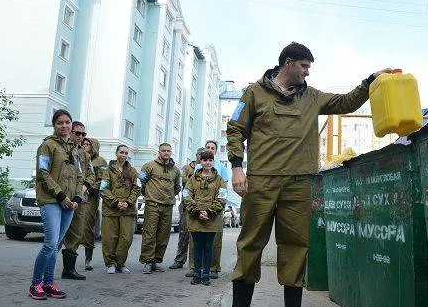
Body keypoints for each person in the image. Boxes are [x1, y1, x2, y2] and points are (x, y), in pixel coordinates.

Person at [227, 42, 398, 307]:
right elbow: (236, 128)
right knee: (250, 244)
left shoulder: (312, 97)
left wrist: (369, 81)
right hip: (261, 180)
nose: (308, 72)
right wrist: (237, 167)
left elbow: (345, 102)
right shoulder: (254, 93)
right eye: (304, 66)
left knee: (296, 247)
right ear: (288, 63)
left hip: (299, 183)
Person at [28, 109, 83, 300]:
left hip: (70, 203)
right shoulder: (47, 146)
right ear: (54, 125)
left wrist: (77, 198)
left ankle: (49, 283)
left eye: (67, 122)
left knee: (57, 244)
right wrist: (61, 196)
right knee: (50, 243)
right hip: (52, 200)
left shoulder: (75, 148)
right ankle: (36, 284)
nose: (64, 126)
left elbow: (79, 175)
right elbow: (43, 174)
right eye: (60, 123)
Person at [187, 140, 231, 279]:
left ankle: (207, 273)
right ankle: (196, 272)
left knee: (209, 248)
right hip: (196, 217)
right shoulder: (193, 178)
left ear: (213, 160)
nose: (207, 162)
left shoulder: (220, 179)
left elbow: (222, 198)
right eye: (204, 159)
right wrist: (196, 211)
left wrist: (209, 212)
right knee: (196, 247)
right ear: (200, 161)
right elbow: (186, 195)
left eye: (210, 160)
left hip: (212, 218)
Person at [139, 142, 182, 273]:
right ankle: (147, 261)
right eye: (163, 150)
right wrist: (150, 195)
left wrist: (168, 197)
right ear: (159, 152)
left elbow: (177, 187)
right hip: (152, 204)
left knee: (163, 236)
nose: (166, 153)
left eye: (168, 150)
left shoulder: (175, 170)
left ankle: (156, 261)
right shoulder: (149, 166)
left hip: (168, 206)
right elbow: (142, 182)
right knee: (149, 234)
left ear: (171, 152)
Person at [61, 121, 95, 280]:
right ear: (70, 132)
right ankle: (46, 267)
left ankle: (69, 269)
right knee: (57, 233)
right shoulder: (61, 149)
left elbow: (91, 175)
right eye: (78, 133)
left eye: (83, 134)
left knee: (76, 232)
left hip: (80, 199)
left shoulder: (85, 154)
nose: (81, 137)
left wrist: (83, 188)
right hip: (62, 197)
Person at [100, 144, 140, 274]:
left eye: (125, 153)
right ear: (116, 153)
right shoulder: (108, 170)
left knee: (126, 237)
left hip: (127, 210)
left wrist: (128, 202)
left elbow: (136, 188)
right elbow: (103, 188)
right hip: (111, 210)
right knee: (110, 238)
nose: (123, 155)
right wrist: (116, 202)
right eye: (121, 152)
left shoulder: (132, 171)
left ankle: (120, 263)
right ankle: (111, 263)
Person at [169, 147, 205, 270]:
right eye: (200, 154)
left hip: (201, 205)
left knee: (198, 235)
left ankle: (196, 263)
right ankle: (179, 260)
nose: (201, 157)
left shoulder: (208, 169)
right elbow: (184, 180)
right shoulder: (186, 168)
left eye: (204, 155)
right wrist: (197, 175)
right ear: (196, 155)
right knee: (184, 232)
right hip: (186, 206)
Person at [81, 137, 108, 270]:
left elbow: (102, 180)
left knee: (87, 226)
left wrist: (91, 189)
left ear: (93, 147)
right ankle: (70, 256)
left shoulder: (100, 161)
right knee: (74, 227)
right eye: (83, 144)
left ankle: (88, 258)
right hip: (76, 196)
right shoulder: (79, 157)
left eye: (88, 144)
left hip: (90, 198)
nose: (85, 146)